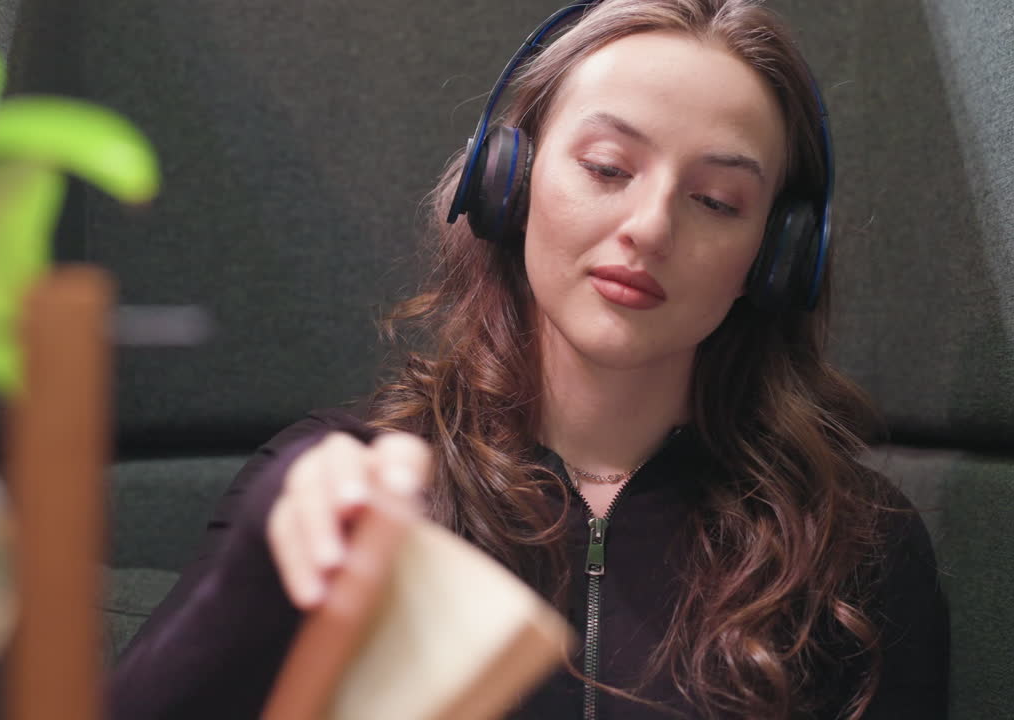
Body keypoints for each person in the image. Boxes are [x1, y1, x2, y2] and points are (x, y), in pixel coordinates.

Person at [109, 0, 949, 717]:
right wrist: (248, 590)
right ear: (509, 179)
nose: (651, 227)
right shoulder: (333, 488)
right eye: (607, 166)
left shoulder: (851, 547)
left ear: (775, 256)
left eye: (716, 200)